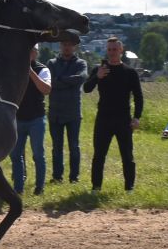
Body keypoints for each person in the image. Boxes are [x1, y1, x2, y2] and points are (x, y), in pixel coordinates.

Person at [82, 37, 143, 191]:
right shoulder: (99, 69)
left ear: (121, 50)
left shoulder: (130, 72)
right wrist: (97, 77)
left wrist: (137, 117)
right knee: (99, 155)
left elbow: (138, 96)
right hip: (103, 118)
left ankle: (129, 188)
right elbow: (86, 89)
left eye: (115, 49)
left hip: (123, 119)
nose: (112, 52)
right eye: (109, 49)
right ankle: (96, 188)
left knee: (127, 156)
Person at [9, 44, 51, 196]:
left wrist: (31, 73)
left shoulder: (43, 69)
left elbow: (46, 89)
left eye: (30, 51)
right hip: (18, 118)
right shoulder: (14, 69)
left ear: (36, 53)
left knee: (38, 154)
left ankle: (39, 187)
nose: (26, 54)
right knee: (15, 154)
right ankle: (18, 189)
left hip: (36, 119)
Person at [46, 31, 88, 184]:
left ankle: (74, 177)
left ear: (74, 47)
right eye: (64, 44)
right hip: (55, 112)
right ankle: (57, 177)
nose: (67, 47)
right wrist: (67, 81)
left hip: (73, 113)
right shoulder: (51, 63)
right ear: (60, 45)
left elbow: (81, 78)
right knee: (56, 148)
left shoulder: (81, 64)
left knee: (74, 147)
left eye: (70, 45)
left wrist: (59, 80)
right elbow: (50, 82)